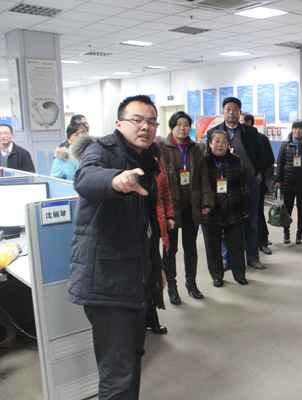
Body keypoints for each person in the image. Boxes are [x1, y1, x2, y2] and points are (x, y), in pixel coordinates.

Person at [68, 95, 161, 399]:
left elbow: (146, 227)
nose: (145, 127)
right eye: (137, 120)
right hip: (107, 281)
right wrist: (115, 180)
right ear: (119, 123)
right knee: (118, 375)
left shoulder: (146, 158)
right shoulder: (102, 149)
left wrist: (154, 270)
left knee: (131, 361)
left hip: (133, 278)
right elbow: (85, 177)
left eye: (151, 121)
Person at [207, 97, 270, 270]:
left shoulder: (251, 132)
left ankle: (252, 257)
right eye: (228, 109)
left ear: (239, 112)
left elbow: (261, 156)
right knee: (225, 222)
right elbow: (208, 158)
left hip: (249, 184)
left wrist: (258, 175)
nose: (231, 112)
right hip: (224, 185)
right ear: (223, 112)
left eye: (235, 109)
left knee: (251, 221)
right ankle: (227, 259)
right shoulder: (213, 132)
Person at [158, 111, 213, 305]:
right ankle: (172, 288)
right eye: (179, 124)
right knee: (170, 250)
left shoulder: (197, 149)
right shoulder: (161, 148)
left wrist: (206, 202)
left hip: (192, 205)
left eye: (186, 124)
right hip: (171, 208)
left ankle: (191, 284)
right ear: (172, 127)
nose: (183, 128)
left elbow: (204, 177)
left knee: (191, 248)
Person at [199, 130, 249, 287]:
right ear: (210, 143)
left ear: (228, 145)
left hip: (233, 209)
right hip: (211, 211)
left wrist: (243, 206)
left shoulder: (236, 161)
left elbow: (243, 186)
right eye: (217, 141)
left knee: (236, 245)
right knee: (212, 246)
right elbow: (199, 187)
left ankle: (239, 274)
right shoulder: (203, 162)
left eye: (224, 142)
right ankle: (216, 275)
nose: (220, 145)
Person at [274, 120, 302, 244]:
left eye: (300, 128)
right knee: (287, 210)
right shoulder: (285, 144)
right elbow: (280, 163)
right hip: (287, 182)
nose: (297, 131)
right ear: (292, 130)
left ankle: (299, 234)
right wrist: (278, 180)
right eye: (295, 128)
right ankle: (286, 233)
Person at [145, 154, 175, 335]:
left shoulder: (155, 163)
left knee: (153, 274)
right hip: (134, 230)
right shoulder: (125, 163)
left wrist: (169, 216)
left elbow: (165, 194)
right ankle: (141, 322)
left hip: (155, 226)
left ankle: (152, 320)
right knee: (140, 277)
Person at [243, 113, 275, 255]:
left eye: (244, 122)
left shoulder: (261, 138)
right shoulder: (235, 138)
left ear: (250, 123)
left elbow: (269, 160)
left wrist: (265, 180)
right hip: (239, 184)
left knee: (258, 212)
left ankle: (262, 241)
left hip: (257, 182)